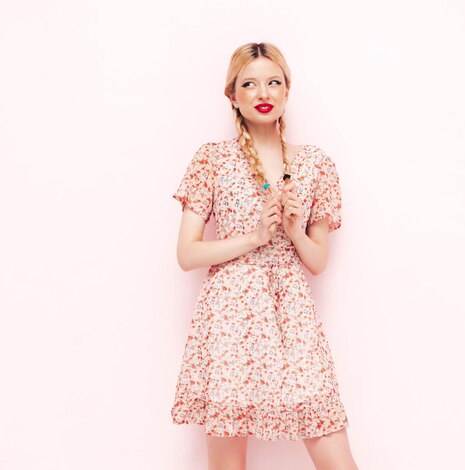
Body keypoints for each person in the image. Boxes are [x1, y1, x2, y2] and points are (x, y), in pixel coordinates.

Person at [170, 42, 359, 470]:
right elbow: (186, 253)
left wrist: (292, 230)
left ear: (288, 90)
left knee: (334, 450)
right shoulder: (212, 160)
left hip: (292, 314)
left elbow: (317, 261)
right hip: (230, 317)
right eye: (249, 84)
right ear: (232, 95)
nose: (263, 92)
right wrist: (255, 237)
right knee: (228, 462)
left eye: (273, 82)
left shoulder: (314, 164)